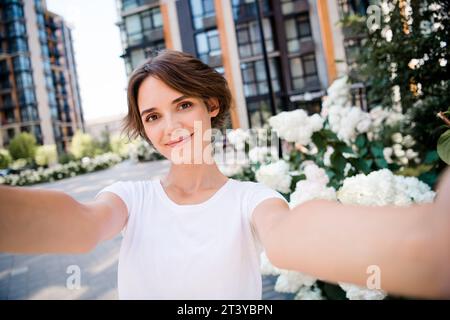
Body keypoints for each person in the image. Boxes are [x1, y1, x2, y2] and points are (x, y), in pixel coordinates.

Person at [0, 50, 449, 300]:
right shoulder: (129, 198)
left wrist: (427, 242)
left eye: (182, 105)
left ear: (210, 106)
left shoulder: (250, 199)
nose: (170, 127)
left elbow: (289, 236)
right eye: (152, 116)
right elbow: (81, 226)